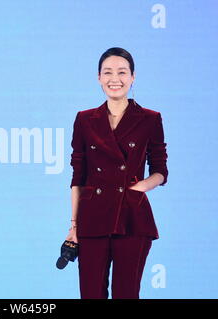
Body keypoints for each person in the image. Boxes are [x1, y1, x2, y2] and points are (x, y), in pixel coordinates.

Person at [66, 47, 168, 299]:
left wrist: (139, 188)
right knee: (90, 294)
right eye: (108, 72)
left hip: (132, 217)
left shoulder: (150, 119)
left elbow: (160, 170)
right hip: (92, 217)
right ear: (98, 77)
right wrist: (73, 225)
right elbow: (77, 177)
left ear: (132, 77)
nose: (115, 79)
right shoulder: (84, 119)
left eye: (122, 72)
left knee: (127, 293)